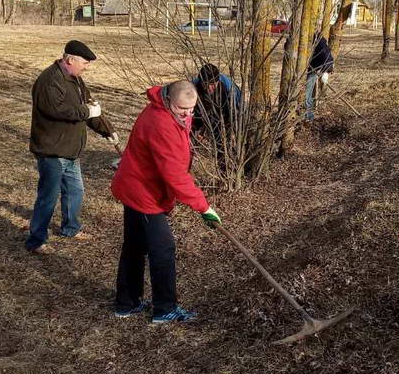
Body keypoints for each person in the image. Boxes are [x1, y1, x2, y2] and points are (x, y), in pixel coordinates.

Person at [110, 80, 222, 323]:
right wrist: (204, 207)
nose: (188, 115)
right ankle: (164, 309)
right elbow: (174, 176)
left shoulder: (166, 110)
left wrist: (186, 118)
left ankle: (127, 303)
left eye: (192, 110)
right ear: (169, 100)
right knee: (163, 249)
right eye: (183, 109)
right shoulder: (161, 123)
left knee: (135, 246)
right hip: (143, 192)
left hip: (136, 185)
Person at [25, 40, 116, 254]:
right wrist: (87, 112)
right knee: (48, 196)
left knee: (75, 191)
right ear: (70, 59)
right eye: (85, 62)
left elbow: (90, 107)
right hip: (52, 151)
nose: (87, 67)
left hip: (71, 150)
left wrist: (107, 130)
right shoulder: (49, 81)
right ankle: (36, 240)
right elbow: (60, 110)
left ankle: (71, 228)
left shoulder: (76, 79)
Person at [191, 63, 242, 173]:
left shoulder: (228, 88)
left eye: (213, 84)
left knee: (222, 143)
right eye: (206, 84)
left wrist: (232, 131)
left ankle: (225, 172)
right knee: (189, 138)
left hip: (226, 114)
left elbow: (233, 113)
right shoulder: (193, 88)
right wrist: (199, 131)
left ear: (218, 81)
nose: (210, 88)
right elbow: (193, 114)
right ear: (201, 81)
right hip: (203, 112)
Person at [305, 31, 335, 121]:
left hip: (313, 69)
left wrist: (325, 70)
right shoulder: (320, 40)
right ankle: (309, 115)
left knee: (307, 95)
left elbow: (327, 57)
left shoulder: (318, 42)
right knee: (309, 94)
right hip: (313, 68)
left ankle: (308, 117)